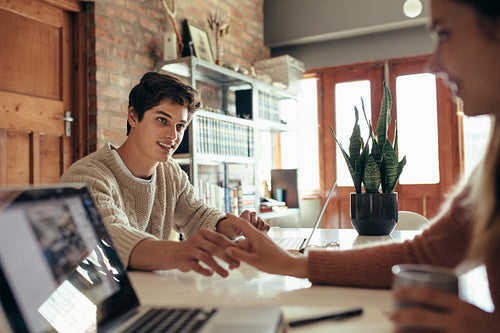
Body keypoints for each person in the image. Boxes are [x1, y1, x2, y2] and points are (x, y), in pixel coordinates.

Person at [226, 0, 500, 331]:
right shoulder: (493, 164)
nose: (433, 64)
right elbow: (424, 253)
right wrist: (290, 264)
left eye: (444, 34)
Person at [60, 72, 269, 277]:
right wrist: (179, 252)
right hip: (97, 300)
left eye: (180, 126)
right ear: (133, 116)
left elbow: (197, 215)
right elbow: (112, 238)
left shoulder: (169, 171)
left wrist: (237, 228)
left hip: (148, 290)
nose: (173, 135)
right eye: (162, 120)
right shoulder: (87, 177)